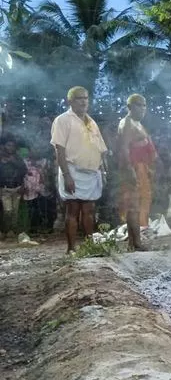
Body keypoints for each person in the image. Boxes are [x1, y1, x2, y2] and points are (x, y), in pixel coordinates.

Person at [52, 86, 108, 254]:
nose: (84, 101)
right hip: (72, 170)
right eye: (79, 98)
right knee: (73, 210)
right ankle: (71, 249)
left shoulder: (91, 122)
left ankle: (90, 246)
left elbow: (101, 149)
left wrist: (103, 171)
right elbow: (59, 150)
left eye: (86, 98)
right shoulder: (62, 120)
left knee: (89, 210)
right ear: (70, 101)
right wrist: (67, 175)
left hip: (91, 172)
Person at [117, 94, 157, 250]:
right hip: (132, 168)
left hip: (141, 167)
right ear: (130, 107)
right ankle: (135, 243)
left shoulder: (138, 123)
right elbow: (124, 148)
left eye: (144, 105)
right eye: (139, 105)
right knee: (133, 204)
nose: (142, 109)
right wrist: (131, 170)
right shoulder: (126, 123)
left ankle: (135, 242)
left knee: (139, 203)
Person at [0, 136, 27, 240]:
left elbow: (24, 171)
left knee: (14, 212)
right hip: (4, 189)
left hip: (16, 188)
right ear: (4, 146)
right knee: (7, 211)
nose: (10, 148)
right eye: (8, 145)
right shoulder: (1, 158)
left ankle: (11, 231)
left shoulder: (18, 158)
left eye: (12, 146)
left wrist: (13, 161)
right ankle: (4, 230)